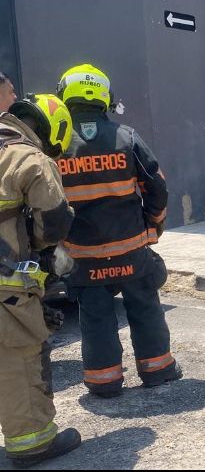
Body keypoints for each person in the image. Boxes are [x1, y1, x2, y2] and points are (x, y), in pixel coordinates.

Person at [55, 64, 180, 398]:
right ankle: (159, 370)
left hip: (83, 254)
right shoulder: (127, 137)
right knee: (145, 306)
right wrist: (153, 227)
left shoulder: (54, 146)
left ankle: (104, 382)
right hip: (131, 249)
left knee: (95, 319)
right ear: (105, 98)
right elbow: (157, 188)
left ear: (64, 96)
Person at [1, 93, 81, 468]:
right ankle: (32, 443)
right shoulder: (29, 158)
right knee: (17, 357)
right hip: (5, 285)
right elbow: (52, 222)